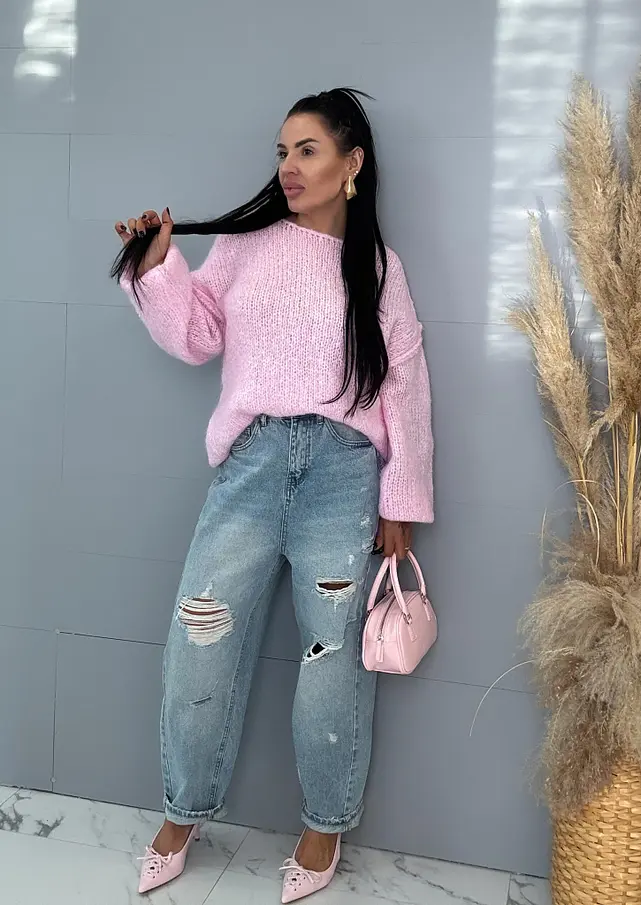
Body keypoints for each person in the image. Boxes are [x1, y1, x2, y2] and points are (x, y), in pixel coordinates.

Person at [113, 88, 434, 902]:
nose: (288, 166)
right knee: (201, 634)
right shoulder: (247, 244)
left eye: (307, 150)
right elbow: (196, 336)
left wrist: (401, 499)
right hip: (252, 463)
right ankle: (183, 811)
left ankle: (323, 825)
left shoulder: (378, 268)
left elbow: (404, 386)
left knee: (332, 657)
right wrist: (156, 270)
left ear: (351, 163)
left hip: (343, 473)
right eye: (282, 152)